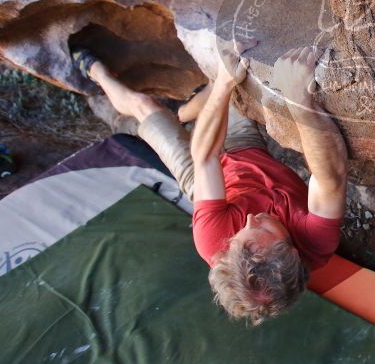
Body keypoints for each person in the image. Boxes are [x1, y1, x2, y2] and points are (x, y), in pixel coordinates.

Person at [73, 45, 348, 325]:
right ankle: (186, 112)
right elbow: (330, 177)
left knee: (146, 107)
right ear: (291, 251)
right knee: (238, 83)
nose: (251, 220)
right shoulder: (315, 243)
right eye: (263, 229)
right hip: (246, 152)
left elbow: (205, 158)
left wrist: (222, 83)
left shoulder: (213, 240)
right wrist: (299, 99)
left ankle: (97, 72)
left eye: (239, 236)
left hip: (204, 181)